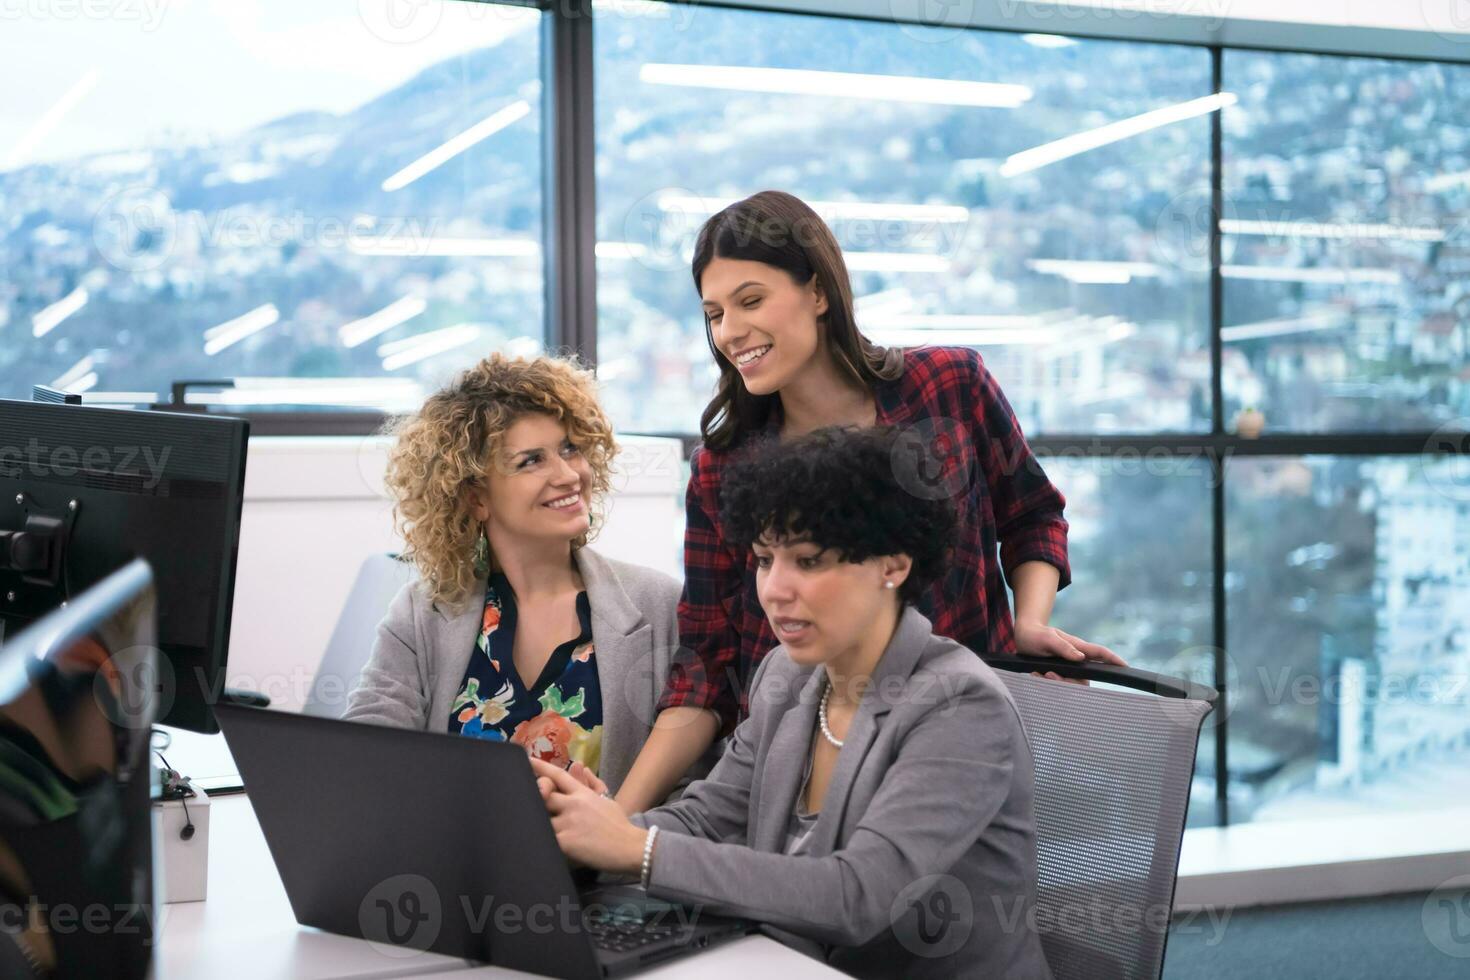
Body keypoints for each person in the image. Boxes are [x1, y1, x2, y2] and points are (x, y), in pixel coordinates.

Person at [615, 189, 1124, 812]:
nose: (730, 332)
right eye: (715, 313)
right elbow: (706, 665)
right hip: (800, 769)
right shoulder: (726, 466)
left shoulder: (947, 388)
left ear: (819, 291)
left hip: (953, 747)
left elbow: (1032, 513)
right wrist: (617, 820)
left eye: (751, 300)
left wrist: (1031, 620)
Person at [533, 426, 1053, 979]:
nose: (775, 590)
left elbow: (857, 897)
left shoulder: (960, 707)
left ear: (893, 566)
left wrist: (636, 849)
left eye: (809, 561)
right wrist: (586, 831)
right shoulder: (790, 675)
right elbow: (709, 818)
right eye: (763, 559)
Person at [343, 353, 705, 796]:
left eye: (570, 449)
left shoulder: (660, 604)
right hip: (459, 862)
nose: (568, 474)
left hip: (605, 865)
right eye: (532, 460)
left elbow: (699, 788)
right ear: (476, 497)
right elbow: (367, 755)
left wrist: (617, 833)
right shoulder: (424, 612)